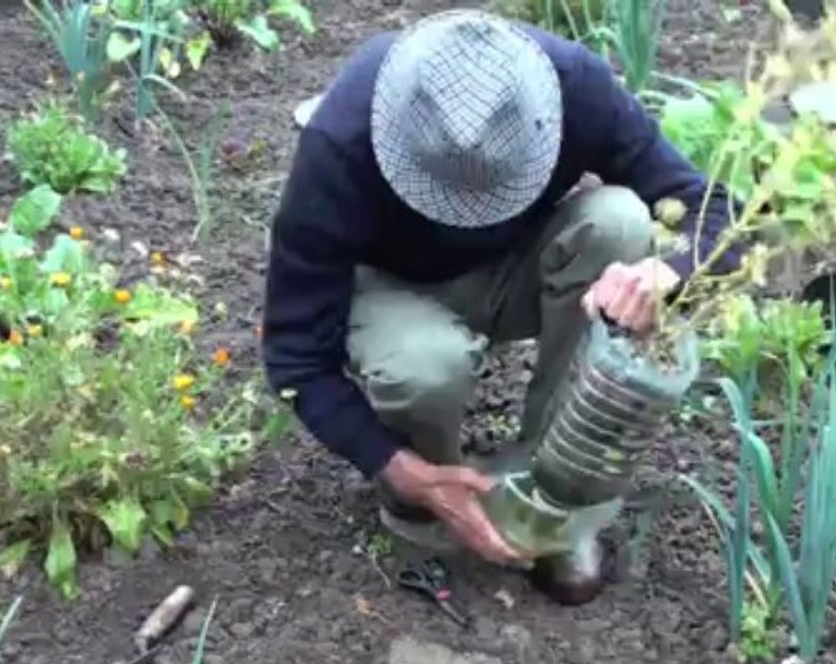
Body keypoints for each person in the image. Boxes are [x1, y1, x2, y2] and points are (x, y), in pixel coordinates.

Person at [262, 8, 743, 603]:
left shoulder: (574, 88)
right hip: (394, 291)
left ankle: (553, 490)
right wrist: (394, 466)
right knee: (425, 365)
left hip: (514, 272)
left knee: (620, 221)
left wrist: (665, 273)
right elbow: (295, 359)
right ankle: (429, 499)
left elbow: (720, 213)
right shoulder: (342, 138)